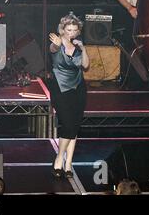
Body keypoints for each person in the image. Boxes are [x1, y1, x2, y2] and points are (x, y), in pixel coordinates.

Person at [49, 13, 89, 178]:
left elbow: (86, 65)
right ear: (62, 29)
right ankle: (59, 158)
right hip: (60, 87)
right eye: (68, 29)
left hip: (78, 88)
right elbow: (53, 50)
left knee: (74, 125)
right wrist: (58, 46)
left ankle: (68, 164)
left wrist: (84, 48)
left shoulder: (79, 46)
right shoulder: (56, 42)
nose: (71, 33)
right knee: (68, 124)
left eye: (74, 30)